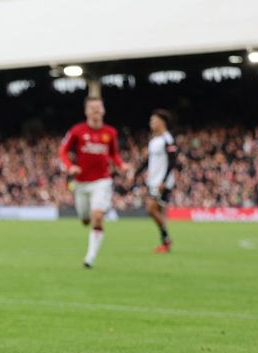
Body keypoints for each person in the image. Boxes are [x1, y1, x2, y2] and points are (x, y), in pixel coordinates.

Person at [58, 96, 127, 268]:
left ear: (103, 110)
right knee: (85, 219)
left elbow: (114, 154)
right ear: (86, 111)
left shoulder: (110, 132)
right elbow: (63, 151)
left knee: (97, 217)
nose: (96, 111)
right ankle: (88, 221)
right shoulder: (77, 130)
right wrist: (70, 167)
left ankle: (90, 257)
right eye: (92, 108)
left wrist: (121, 164)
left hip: (102, 181)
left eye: (98, 107)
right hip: (81, 183)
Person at [135, 109, 178, 253]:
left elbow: (173, 161)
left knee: (151, 209)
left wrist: (164, 181)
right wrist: (138, 172)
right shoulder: (154, 140)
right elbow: (149, 160)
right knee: (158, 211)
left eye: (153, 120)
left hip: (162, 182)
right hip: (153, 181)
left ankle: (167, 239)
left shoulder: (168, 139)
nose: (151, 123)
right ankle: (165, 243)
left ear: (162, 122)